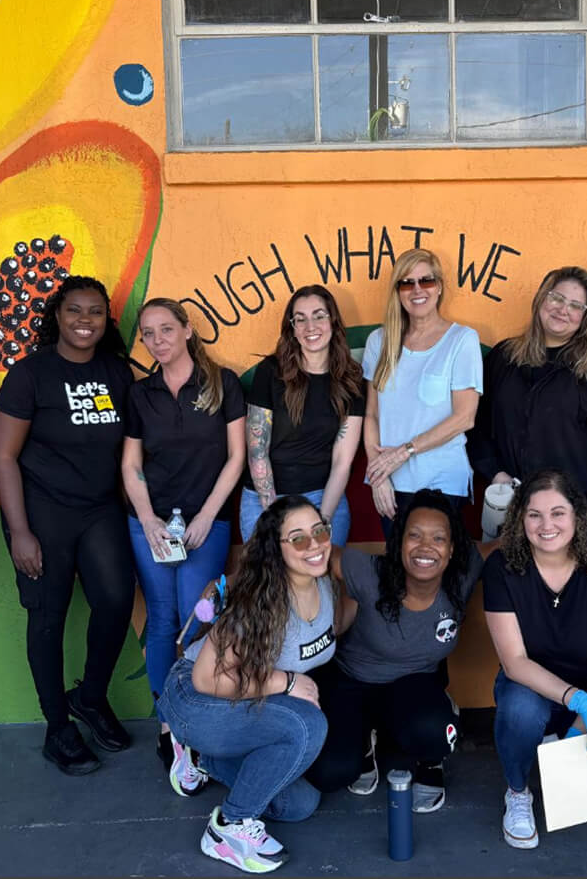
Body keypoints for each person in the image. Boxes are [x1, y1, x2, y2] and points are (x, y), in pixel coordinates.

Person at [0, 276, 136, 776]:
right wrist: (20, 531)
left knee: (117, 600)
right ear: (58, 315)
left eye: (95, 312)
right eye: (75, 310)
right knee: (47, 619)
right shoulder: (32, 374)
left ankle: (90, 697)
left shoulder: (116, 373)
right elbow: (4, 457)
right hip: (42, 512)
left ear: (105, 320)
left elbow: (129, 448)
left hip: (99, 510)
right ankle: (58, 728)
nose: (84, 321)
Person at [157, 495, 336, 874]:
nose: (315, 544)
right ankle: (229, 828)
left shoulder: (325, 583)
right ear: (278, 548)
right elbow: (207, 678)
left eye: (320, 531)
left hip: (239, 701)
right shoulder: (260, 602)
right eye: (299, 538)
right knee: (306, 725)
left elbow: (334, 628)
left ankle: (200, 757)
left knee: (298, 805)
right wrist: (286, 681)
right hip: (194, 696)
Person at [122, 298, 245, 788]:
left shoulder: (222, 384)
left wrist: (208, 514)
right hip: (148, 523)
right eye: (148, 334)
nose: (158, 341)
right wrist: (149, 518)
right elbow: (131, 464)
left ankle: (199, 719)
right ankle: (170, 727)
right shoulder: (140, 394)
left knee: (198, 624)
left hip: (205, 523)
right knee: (160, 620)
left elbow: (236, 458)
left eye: (167, 329)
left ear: (188, 330)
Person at [307, 489, 490, 814]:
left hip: (415, 685)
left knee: (435, 733)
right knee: (329, 772)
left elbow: (517, 545)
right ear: (398, 542)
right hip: (352, 682)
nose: (425, 547)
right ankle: (362, 741)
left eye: (438, 538)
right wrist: (229, 583)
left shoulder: (462, 576)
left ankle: (430, 761)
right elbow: (310, 553)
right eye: (414, 535)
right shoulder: (369, 572)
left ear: (451, 550)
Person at [483, 470, 587, 849]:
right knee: (519, 712)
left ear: (578, 516)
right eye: (534, 514)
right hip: (532, 685)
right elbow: (515, 661)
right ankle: (517, 792)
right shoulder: (502, 568)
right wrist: (575, 700)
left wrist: (585, 716)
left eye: (558, 513)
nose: (546, 525)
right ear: (520, 518)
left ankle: (558, 745)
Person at [470, 266, 587, 545]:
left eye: (575, 305)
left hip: (578, 512)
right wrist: (494, 472)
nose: (563, 309)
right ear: (541, 300)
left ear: (586, 316)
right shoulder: (505, 357)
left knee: (570, 585)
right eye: (557, 298)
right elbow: (475, 423)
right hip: (514, 508)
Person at [362, 248, 482, 536]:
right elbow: (371, 415)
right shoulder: (379, 341)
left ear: (439, 287)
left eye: (425, 281)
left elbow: (464, 417)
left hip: (442, 484)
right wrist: (378, 477)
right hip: (391, 486)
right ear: (398, 291)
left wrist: (404, 452)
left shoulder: (462, 340)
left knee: (436, 572)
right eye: (407, 282)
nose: (417, 290)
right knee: (396, 571)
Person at [242, 285, 364, 546]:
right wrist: (274, 516)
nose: (311, 326)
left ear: (333, 320)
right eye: (301, 319)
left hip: (323, 496)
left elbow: (343, 461)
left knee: (322, 584)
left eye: (319, 315)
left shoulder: (351, 379)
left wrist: (323, 521)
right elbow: (257, 450)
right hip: (264, 499)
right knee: (270, 584)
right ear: (292, 328)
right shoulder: (271, 371)